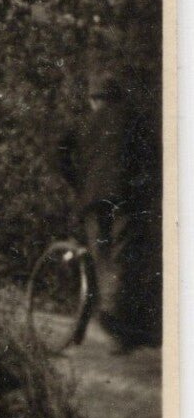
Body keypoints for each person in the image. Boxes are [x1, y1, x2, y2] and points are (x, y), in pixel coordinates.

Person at [55, 70, 162, 352]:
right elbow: (153, 157)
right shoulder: (133, 118)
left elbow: (59, 152)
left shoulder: (83, 122)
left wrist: (78, 182)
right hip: (125, 197)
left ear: (93, 99)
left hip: (92, 200)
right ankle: (118, 331)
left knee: (103, 257)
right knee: (121, 255)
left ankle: (109, 325)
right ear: (117, 97)